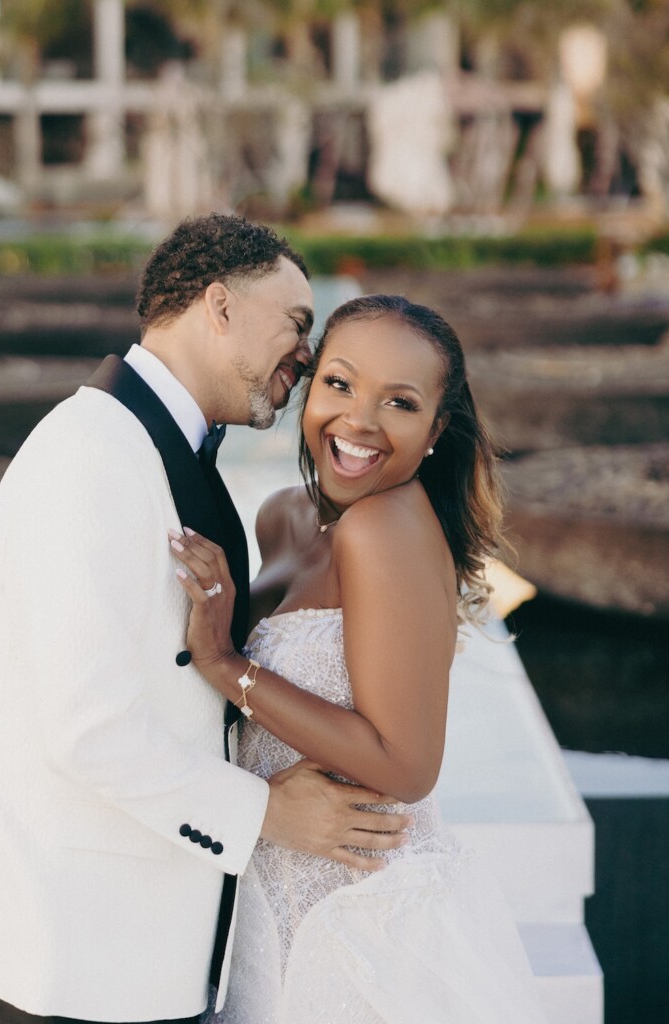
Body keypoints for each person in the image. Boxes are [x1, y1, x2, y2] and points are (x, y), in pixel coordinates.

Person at [0, 218, 412, 1024]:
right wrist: (265, 812)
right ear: (218, 306)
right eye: (294, 322)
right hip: (74, 952)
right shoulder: (90, 457)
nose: (306, 355)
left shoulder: (156, 447)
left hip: (131, 940)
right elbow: (89, 729)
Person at [169, 294, 549, 1023]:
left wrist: (224, 663)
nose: (359, 421)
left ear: (436, 430)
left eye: (399, 403)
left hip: (362, 933)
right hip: (274, 911)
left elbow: (405, 766)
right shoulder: (282, 517)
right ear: (308, 387)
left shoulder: (384, 526)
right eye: (339, 384)